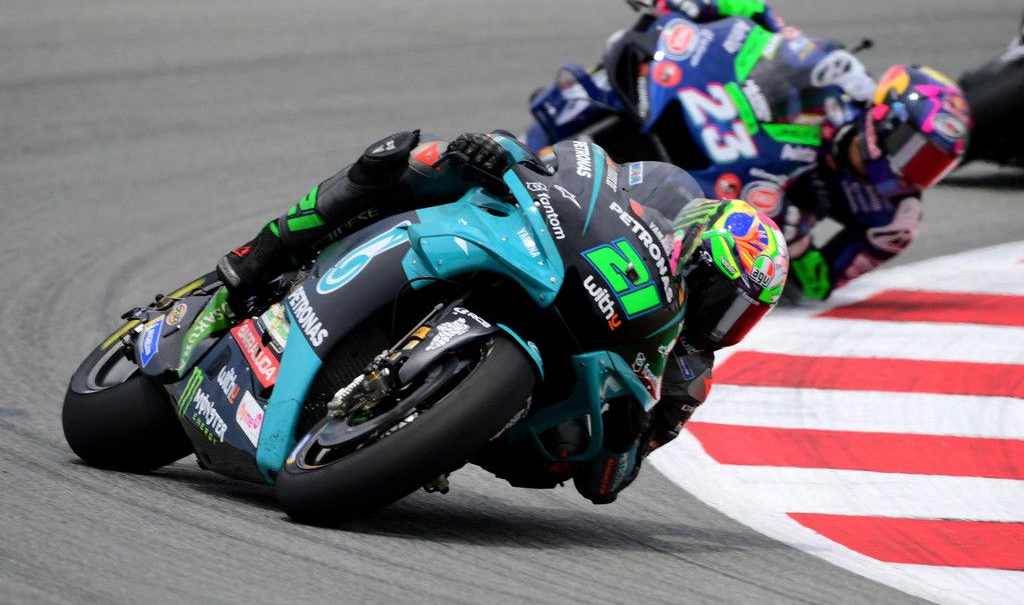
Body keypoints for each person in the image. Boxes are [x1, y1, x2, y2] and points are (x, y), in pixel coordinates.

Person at [217, 130, 789, 503]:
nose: (721, 319)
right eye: (718, 294)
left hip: (530, 430)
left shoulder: (690, 374)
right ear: (690, 250)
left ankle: (421, 427)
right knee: (430, 158)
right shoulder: (660, 198)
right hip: (562, 279)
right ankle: (265, 250)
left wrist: (632, 431)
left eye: (740, 313)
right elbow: (587, 177)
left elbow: (607, 484)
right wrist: (509, 157)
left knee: (559, 455)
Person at [532, 0, 971, 301]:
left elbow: (820, 284)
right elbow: (765, 19)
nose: (915, 172)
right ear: (886, 119)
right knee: (621, 66)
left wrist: (797, 241)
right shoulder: (845, 82)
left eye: (933, 166)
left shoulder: (896, 220)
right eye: (915, 152)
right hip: (731, 129)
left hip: (753, 211)